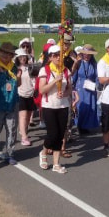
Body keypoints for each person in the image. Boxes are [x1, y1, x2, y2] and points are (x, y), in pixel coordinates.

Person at [37, 45, 72, 174]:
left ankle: (56, 164)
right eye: (55, 55)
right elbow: (41, 90)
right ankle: (44, 152)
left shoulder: (66, 71)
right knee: (53, 134)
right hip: (49, 106)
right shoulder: (44, 71)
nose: (58, 57)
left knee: (60, 134)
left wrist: (65, 93)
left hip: (63, 105)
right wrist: (54, 81)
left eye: (60, 54)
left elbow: (69, 88)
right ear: (50, 57)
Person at [72, 44, 100, 134]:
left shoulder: (94, 64)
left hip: (91, 90)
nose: (87, 56)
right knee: (81, 108)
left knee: (90, 108)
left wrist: (98, 85)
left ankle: (86, 126)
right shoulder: (79, 63)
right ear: (82, 54)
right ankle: (79, 126)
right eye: (85, 54)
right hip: (80, 89)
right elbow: (74, 77)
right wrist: (73, 88)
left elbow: (97, 77)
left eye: (89, 54)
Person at [15, 47, 36, 145]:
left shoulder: (30, 67)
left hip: (30, 93)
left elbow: (34, 79)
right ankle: (24, 137)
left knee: (28, 115)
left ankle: (23, 130)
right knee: (23, 116)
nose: (23, 58)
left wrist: (35, 88)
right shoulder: (16, 68)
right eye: (20, 57)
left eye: (24, 57)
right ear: (17, 58)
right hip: (20, 94)